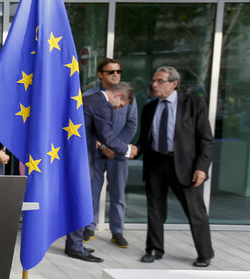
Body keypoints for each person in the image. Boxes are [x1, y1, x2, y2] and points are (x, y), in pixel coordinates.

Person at [133, 66, 214, 267]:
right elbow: (144, 140)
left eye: (160, 81)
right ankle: (154, 249)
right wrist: (134, 150)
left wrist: (202, 167)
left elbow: (206, 139)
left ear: (174, 83)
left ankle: (205, 253)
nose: (154, 85)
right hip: (156, 164)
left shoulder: (193, 104)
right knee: (155, 210)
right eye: (153, 81)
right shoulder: (149, 108)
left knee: (195, 212)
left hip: (185, 166)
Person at [71, 82, 135, 259]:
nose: (117, 108)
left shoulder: (90, 99)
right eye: (120, 105)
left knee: (80, 199)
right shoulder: (102, 105)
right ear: (118, 95)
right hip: (83, 158)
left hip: (79, 155)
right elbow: (106, 136)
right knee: (81, 200)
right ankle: (75, 246)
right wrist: (128, 150)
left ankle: (73, 243)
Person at [83, 60, 138, 248]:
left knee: (118, 195)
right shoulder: (90, 96)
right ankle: (89, 227)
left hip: (118, 155)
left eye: (118, 71)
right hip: (96, 153)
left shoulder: (128, 96)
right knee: (91, 193)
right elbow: (87, 128)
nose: (116, 74)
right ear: (100, 74)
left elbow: (132, 124)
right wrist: (102, 147)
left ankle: (117, 231)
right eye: (111, 71)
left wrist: (117, 147)